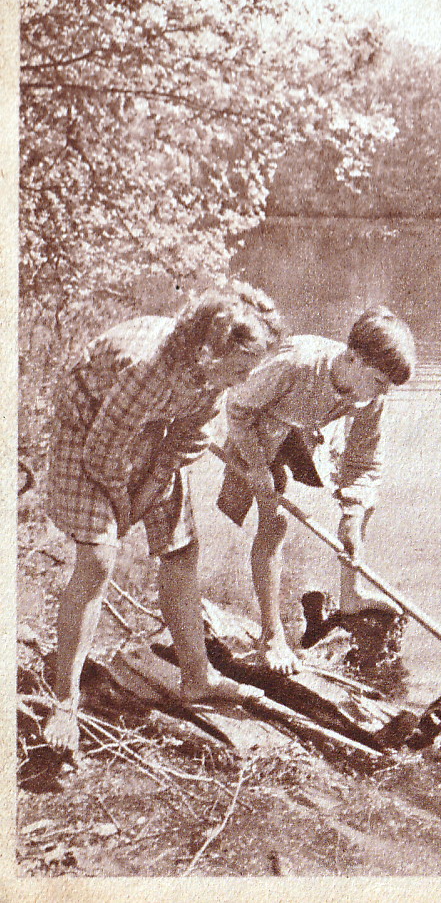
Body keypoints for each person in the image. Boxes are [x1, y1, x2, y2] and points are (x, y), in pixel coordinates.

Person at [43, 281, 285, 754]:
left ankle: (197, 676)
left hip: (147, 429)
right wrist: (123, 509)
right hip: (86, 431)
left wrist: (153, 483)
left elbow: (189, 435)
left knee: (181, 549)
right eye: (242, 367)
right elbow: (101, 455)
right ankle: (64, 700)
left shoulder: (212, 376)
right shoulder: (148, 369)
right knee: (97, 559)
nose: (247, 377)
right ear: (208, 352)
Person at [218, 305, 416, 675]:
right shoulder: (296, 364)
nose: (382, 392)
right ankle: (271, 635)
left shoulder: (371, 393)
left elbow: (364, 462)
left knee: (364, 503)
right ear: (353, 358)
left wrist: (351, 517)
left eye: (387, 386)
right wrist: (258, 468)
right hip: (257, 429)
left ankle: (350, 595)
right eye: (378, 381)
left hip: (307, 432)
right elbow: (237, 406)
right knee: (275, 521)